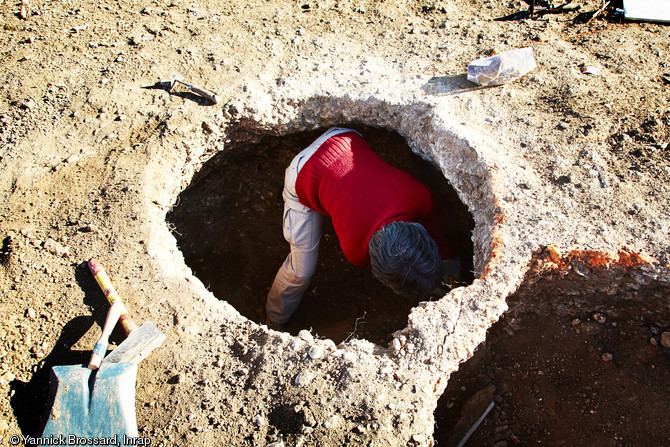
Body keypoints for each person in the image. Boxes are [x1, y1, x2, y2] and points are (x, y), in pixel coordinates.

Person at [265, 127, 460, 330]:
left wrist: (446, 261)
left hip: (342, 137)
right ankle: (274, 318)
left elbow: (435, 229)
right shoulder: (355, 250)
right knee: (301, 270)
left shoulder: (418, 196)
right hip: (303, 174)